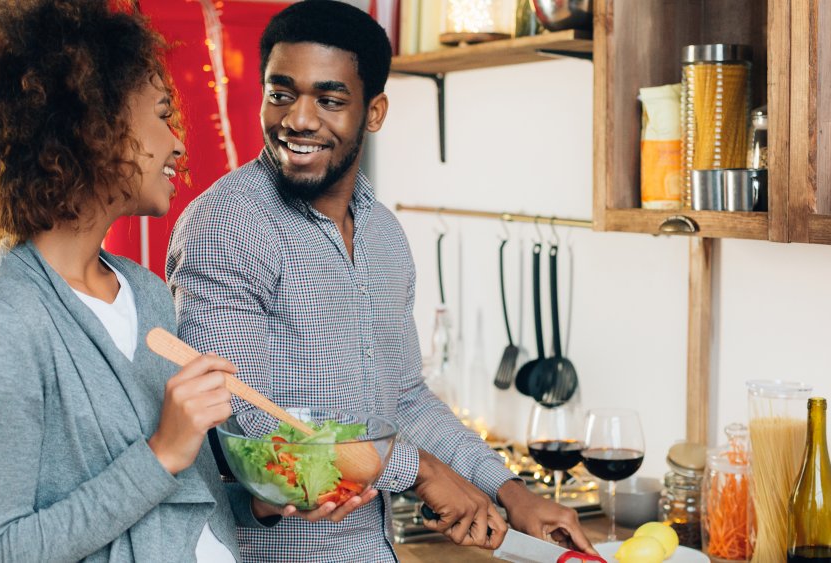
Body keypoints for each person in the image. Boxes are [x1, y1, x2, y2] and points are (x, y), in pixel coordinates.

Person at [166, 1, 597, 561]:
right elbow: (248, 429)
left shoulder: (383, 232)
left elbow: (406, 399)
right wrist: (418, 469)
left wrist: (510, 492)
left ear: (374, 112)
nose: (298, 119)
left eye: (329, 99)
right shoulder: (225, 226)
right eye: (281, 93)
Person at [0, 1, 284, 560]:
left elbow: (181, 502)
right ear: (94, 125)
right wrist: (161, 452)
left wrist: (259, 500)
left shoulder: (146, 293)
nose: (179, 144)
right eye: (163, 115)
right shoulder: (2, 325)